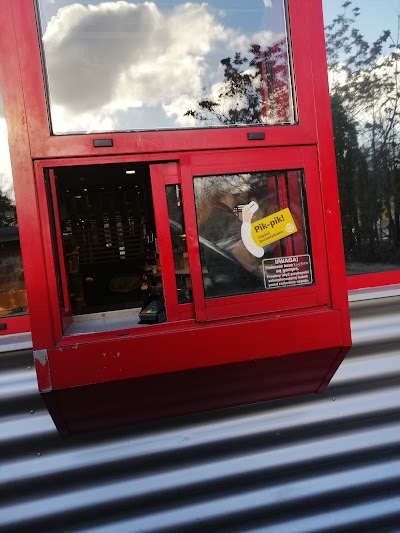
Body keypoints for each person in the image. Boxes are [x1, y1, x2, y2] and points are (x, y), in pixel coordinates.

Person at [195, 174, 263, 296]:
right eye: (244, 184)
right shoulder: (225, 220)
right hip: (237, 290)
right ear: (232, 189)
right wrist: (255, 223)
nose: (248, 188)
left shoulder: (213, 215)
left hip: (223, 289)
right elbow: (251, 263)